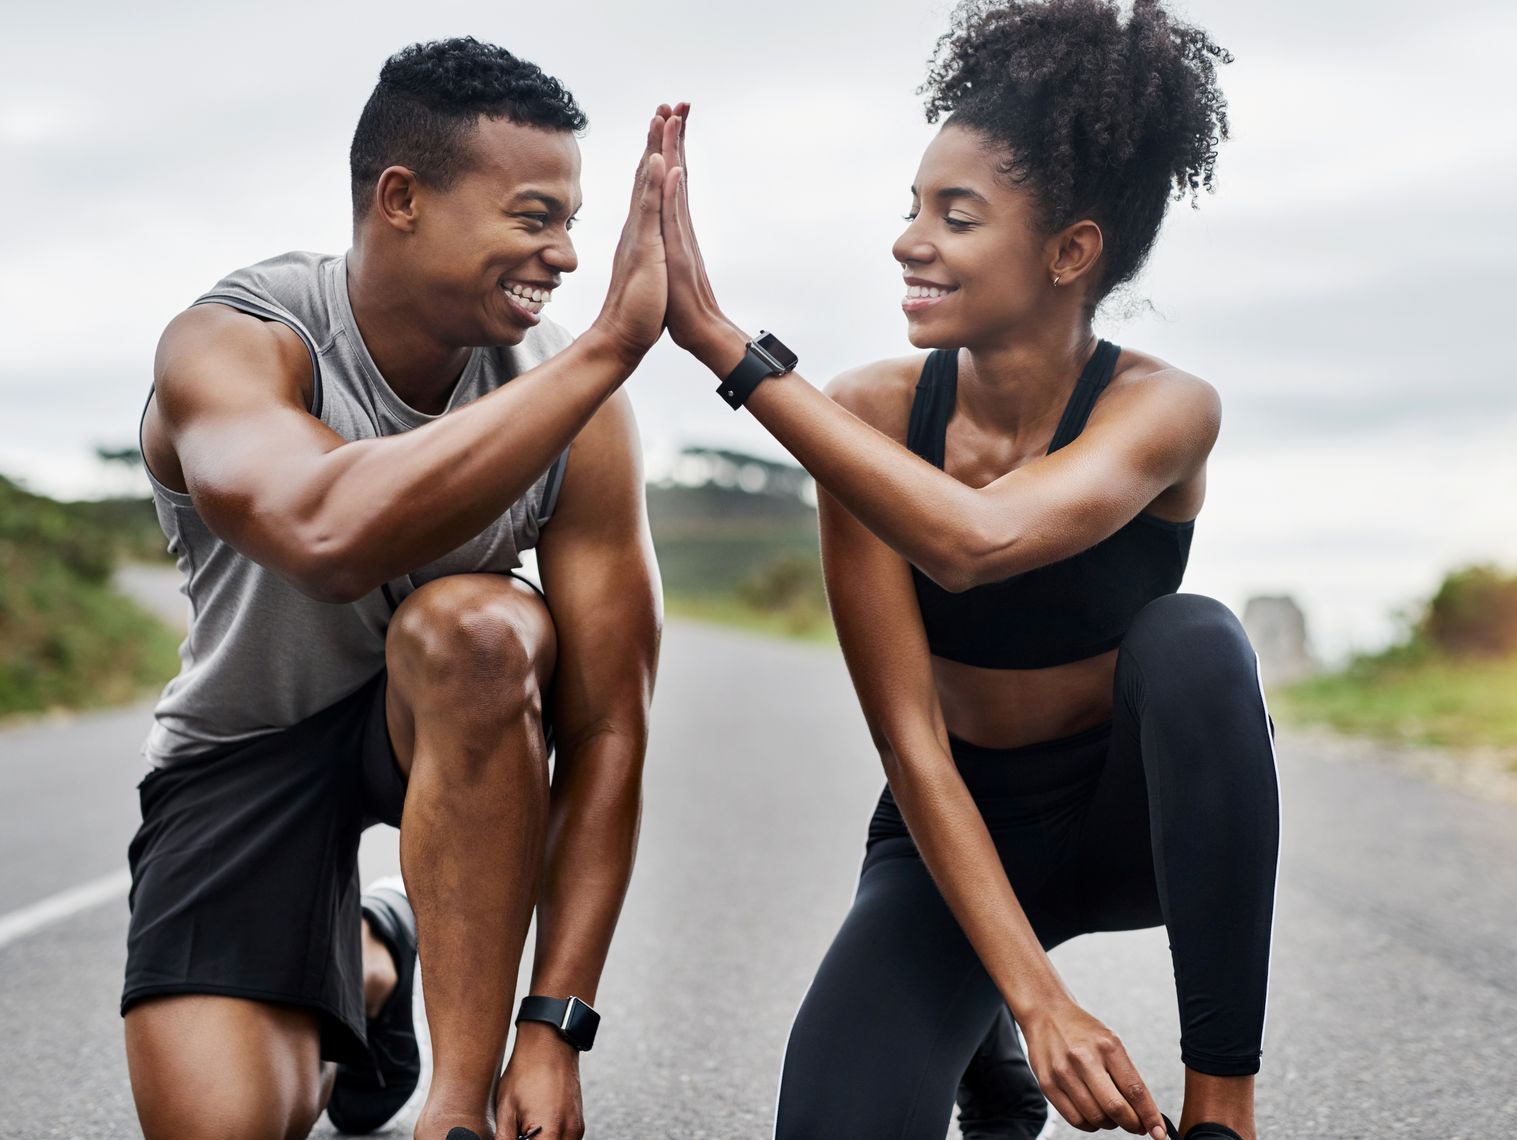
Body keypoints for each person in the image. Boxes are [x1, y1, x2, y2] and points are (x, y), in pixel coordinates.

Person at [655, 1, 1277, 1137]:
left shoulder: (1161, 410)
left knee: (1193, 643)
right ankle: (989, 1025)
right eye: (910, 207)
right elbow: (908, 740)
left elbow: (973, 541)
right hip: (956, 826)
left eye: (956, 215)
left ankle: (1220, 1113)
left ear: (1068, 251)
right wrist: (1040, 1005)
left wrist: (728, 353)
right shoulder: (864, 417)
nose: (909, 239)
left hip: (1126, 821)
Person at [123, 39, 671, 1140]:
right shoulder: (236, 342)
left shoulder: (572, 404)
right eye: (532, 215)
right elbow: (322, 532)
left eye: (572, 218)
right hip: (247, 749)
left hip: (437, 718)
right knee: (224, 1125)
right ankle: (375, 958)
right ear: (402, 198)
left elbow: (609, 726)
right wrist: (612, 344)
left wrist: (550, 1032)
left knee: (476, 628)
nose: (565, 254)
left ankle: (453, 1108)